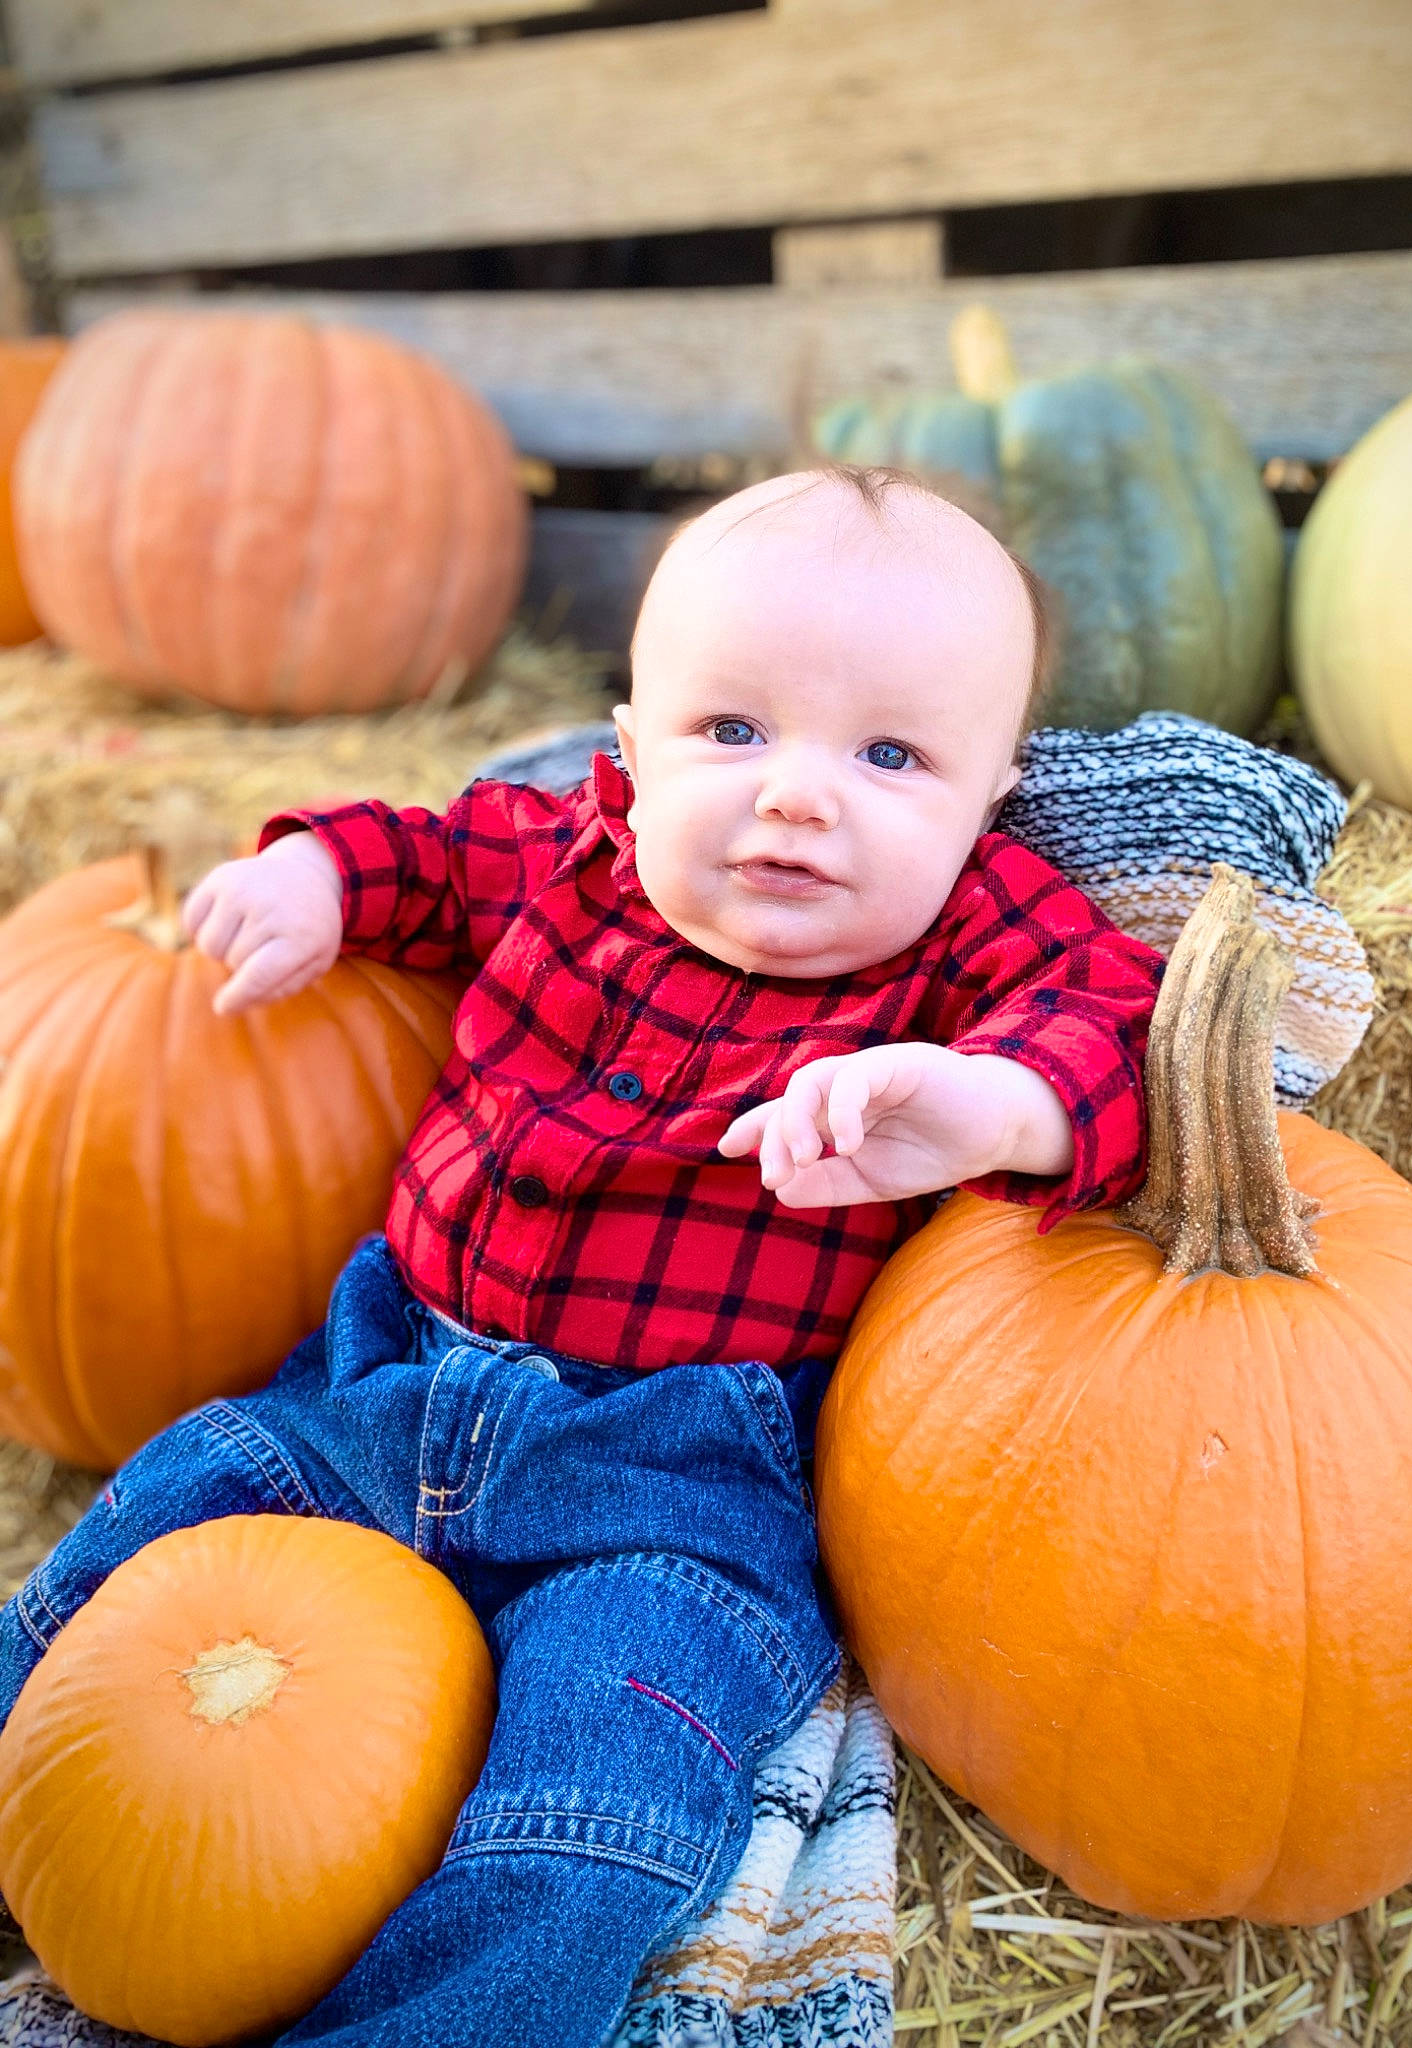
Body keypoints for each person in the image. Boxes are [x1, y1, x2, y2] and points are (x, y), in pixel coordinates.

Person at [0, 465, 1164, 2047]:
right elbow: (421, 854)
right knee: (158, 1511)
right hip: (388, 1384)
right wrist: (313, 874)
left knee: (601, 1795)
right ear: (629, 741)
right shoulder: (567, 849)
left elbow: (1108, 1024)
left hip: (678, 1490)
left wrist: (988, 1102)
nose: (798, 795)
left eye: (891, 755)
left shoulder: (971, 939)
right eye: (732, 732)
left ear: (988, 800)